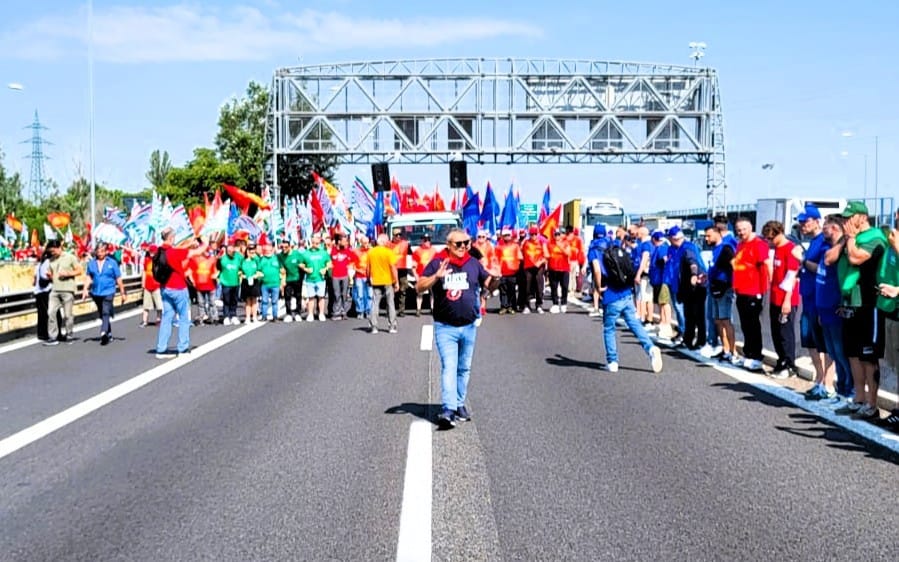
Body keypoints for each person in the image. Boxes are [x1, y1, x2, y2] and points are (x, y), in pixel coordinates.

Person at [416, 228, 491, 429]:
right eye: (459, 244)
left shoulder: (473, 263)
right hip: (445, 327)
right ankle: (448, 409)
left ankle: (459, 404)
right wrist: (436, 277)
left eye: (466, 243)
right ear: (448, 245)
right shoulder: (437, 262)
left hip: (468, 326)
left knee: (464, 368)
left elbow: (487, 282)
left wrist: (495, 279)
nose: (463, 247)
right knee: (450, 366)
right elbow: (419, 286)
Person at [833, 201, 888, 420]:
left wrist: (850, 238)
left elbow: (856, 258)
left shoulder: (875, 237)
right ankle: (859, 398)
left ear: (863, 217)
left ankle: (872, 405)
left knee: (868, 356)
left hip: (868, 303)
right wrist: (846, 239)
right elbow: (833, 258)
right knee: (853, 354)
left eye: (850, 216)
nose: (846, 221)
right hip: (850, 302)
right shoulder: (850, 238)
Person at [592, 229, 664, 374]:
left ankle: (612, 361)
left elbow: (597, 270)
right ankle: (650, 348)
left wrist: (599, 288)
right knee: (634, 323)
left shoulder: (594, 249)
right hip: (626, 293)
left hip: (611, 295)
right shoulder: (614, 245)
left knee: (609, 328)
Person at [155, 229, 208, 358]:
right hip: (178, 287)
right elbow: (198, 252)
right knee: (184, 318)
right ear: (171, 238)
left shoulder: (159, 251)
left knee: (167, 318)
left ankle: (161, 349)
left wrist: (189, 243)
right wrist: (205, 242)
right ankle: (183, 348)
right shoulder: (175, 252)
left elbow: (179, 248)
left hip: (165, 288)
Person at [731, 217, 771, 371]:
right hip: (741, 290)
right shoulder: (740, 244)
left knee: (753, 325)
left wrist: (767, 287)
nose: (741, 232)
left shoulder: (759, 244)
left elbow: (766, 265)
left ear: (750, 228)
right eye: (738, 230)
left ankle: (756, 356)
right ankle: (748, 353)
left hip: (754, 291)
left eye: (744, 229)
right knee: (745, 324)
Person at [762, 221, 800, 378]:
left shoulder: (790, 249)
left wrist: (787, 300)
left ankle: (789, 365)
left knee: (785, 333)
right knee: (776, 333)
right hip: (775, 296)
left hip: (786, 298)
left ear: (779, 234)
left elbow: (792, 276)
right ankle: (781, 360)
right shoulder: (777, 249)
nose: (769, 242)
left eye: (771, 238)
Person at [704, 226, 738, 364]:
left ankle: (733, 351)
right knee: (718, 320)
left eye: (709, 236)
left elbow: (735, 266)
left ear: (717, 234)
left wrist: (734, 285)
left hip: (725, 288)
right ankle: (725, 349)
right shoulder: (715, 250)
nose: (706, 239)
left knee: (726, 320)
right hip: (714, 288)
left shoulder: (726, 248)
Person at [82, 242, 126, 346]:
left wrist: (123, 292)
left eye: (102, 251)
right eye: (98, 251)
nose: (100, 253)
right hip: (96, 292)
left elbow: (118, 278)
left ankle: (103, 332)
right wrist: (85, 289)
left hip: (109, 291)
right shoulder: (91, 263)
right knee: (102, 312)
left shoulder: (112, 263)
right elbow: (89, 277)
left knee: (106, 311)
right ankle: (108, 332)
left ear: (106, 252)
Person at [44, 239, 83, 346]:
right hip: (55, 290)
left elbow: (80, 270)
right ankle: (53, 336)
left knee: (67, 315)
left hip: (67, 289)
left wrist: (68, 273)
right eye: (50, 251)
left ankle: (69, 334)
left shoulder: (70, 257)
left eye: (53, 251)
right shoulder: (51, 260)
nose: (52, 253)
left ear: (59, 247)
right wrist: (49, 276)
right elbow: (52, 275)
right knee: (51, 312)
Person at [367, 233, 399, 334]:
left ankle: (374, 326)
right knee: (390, 303)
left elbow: (368, 268)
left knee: (375, 303)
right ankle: (392, 326)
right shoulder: (389, 252)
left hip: (376, 281)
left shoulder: (371, 252)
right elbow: (393, 268)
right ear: (384, 242)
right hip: (388, 281)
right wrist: (396, 281)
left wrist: (368, 279)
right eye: (387, 241)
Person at [300, 234, 332, 322]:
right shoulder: (306, 253)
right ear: (311, 242)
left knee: (321, 297)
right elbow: (301, 264)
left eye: (317, 243)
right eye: (314, 243)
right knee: (311, 297)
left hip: (320, 279)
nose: (315, 244)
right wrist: (306, 269)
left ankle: (321, 314)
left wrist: (325, 269)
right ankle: (310, 314)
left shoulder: (323, 253)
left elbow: (329, 263)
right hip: (310, 279)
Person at [411, 233, 438, 316]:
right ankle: (418, 309)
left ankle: (432, 309)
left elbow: (438, 264)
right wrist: (416, 276)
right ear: (422, 241)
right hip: (421, 275)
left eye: (428, 240)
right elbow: (413, 266)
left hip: (432, 275)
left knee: (433, 293)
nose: (427, 242)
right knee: (420, 293)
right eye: (425, 240)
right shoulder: (417, 251)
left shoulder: (434, 251)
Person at [217, 241, 243, 325]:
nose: (231, 252)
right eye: (229, 251)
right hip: (226, 283)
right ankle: (226, 316)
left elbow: (243, 264)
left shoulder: (238, 257)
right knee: (226, 300)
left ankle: (233, 315)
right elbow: (218, 267)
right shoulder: (223, 258)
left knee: (234, 300)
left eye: (232, 250)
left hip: (235, 282)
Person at [33, 246, 53, 341]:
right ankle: (45, 333)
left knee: (42, 313)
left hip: (39, 291)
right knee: (45, 313)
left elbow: (34, 280)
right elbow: (47, 276)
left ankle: (41, 333)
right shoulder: (47, 263)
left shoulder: (40, 264)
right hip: (44, 291)